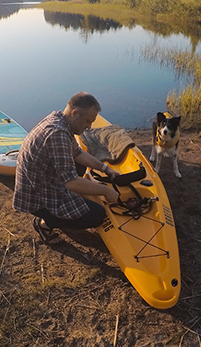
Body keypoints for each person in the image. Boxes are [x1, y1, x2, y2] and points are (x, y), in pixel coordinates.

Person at [13, 92, 120, 243]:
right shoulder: (58, 134)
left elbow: (77, 153)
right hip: (35, 197)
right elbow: (71, 182)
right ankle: (45, 224)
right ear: (75, 113)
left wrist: (104, 168)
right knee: (97, 215)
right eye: (88, 121)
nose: (89, 127)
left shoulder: (59, 119)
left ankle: (59, 212)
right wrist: (107, 191)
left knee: (80, 166)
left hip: (42, 180)